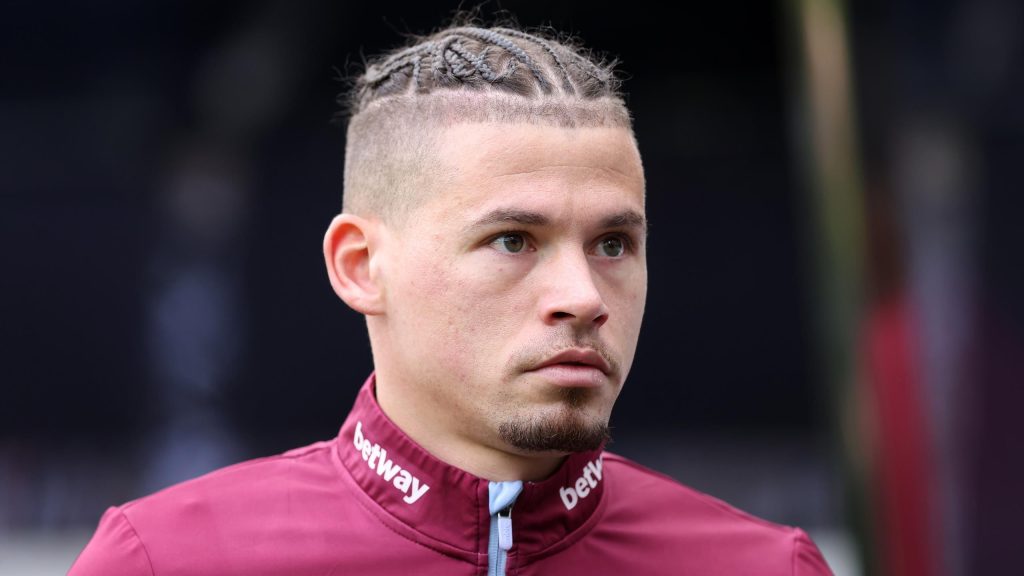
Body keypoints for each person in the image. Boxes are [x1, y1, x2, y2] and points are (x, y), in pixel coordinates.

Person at [70, 17, 834, 576]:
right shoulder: (166, 561)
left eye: (612, 245)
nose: (583, 297)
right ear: (361, 267)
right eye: (513, 240)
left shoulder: (765, 567)